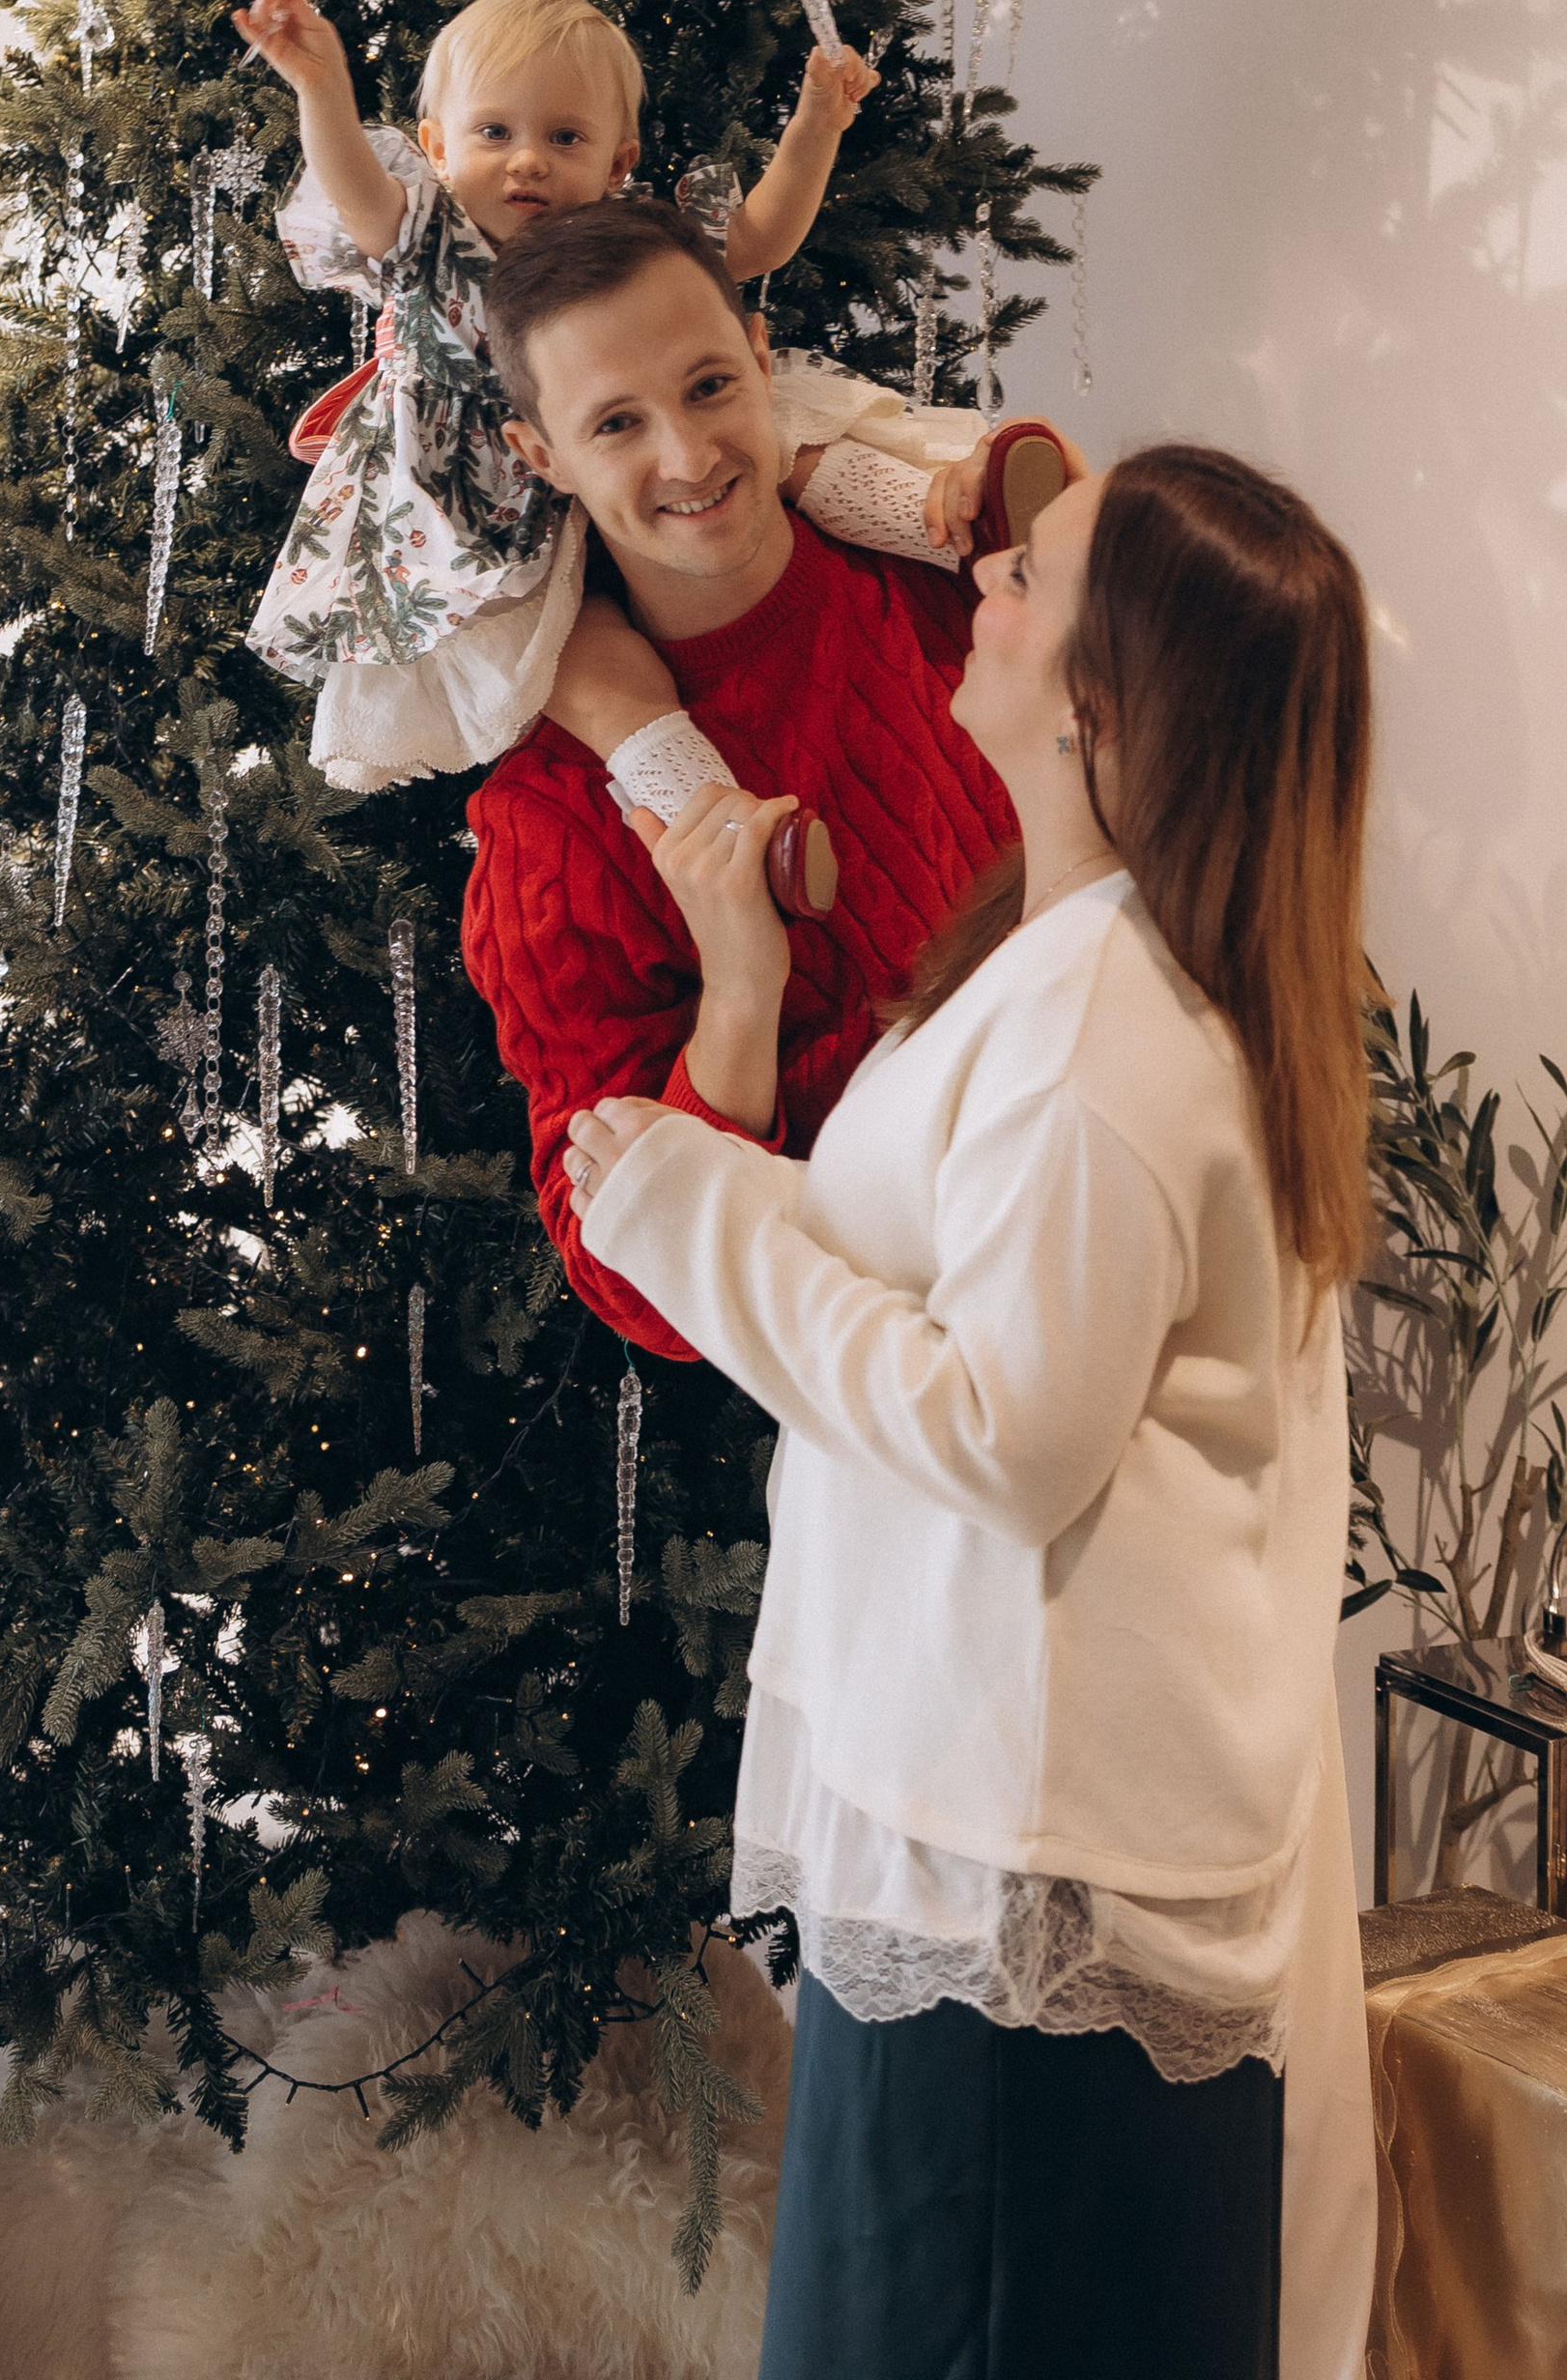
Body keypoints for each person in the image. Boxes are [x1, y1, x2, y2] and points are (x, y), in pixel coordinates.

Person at [559, 446, 1380, 2380]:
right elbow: (925, 1269)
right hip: (993, 1826)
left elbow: (1009, 1430)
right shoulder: (1063, 964)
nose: (981, 574)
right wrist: (722, 1194)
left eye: (1030, 573)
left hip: (1029, 1859)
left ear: (1104, 702)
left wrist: (696, 1222)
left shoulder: (1101, 1032)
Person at [461, 193, 1070, 1360]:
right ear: (539, 456)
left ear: (758, 354)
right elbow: (633, 1291)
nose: (687, 458)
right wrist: (739, 996)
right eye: (617, 425)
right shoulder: (551, 823)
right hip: (910, 1377)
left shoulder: (967, 586)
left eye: (706, 388)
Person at [233, 0, 1003, 884]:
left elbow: (757, 239)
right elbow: (356, 189)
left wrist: (817, 128)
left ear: (617, 161)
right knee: (593, 670)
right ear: (437, 145)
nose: (528, 161)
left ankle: (948, 514)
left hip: (638, 463)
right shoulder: (425, 237)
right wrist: (321, 87)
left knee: (783, 435)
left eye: (565, 137)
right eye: (494, 133)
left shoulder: (624, 244)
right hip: (485, 510)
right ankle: (727, 838)